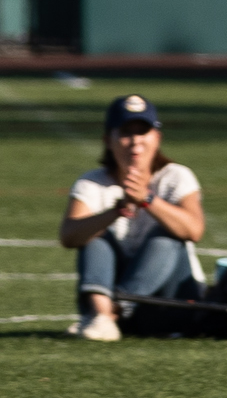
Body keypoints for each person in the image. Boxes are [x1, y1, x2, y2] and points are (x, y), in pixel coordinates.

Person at [60, 94, 205, 342]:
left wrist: (147, 200)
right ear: (108, 140)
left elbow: (194, 230)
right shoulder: (92, 183)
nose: (135, 141)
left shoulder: (176, 177)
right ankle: (102, 314)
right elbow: (69, 236)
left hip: (169, 304)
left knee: (166, 237)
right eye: (126, 133)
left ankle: (109, 314)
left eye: (143, 132)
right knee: (95, 237)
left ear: (157, 138)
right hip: (122, 312)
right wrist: (114, 212)